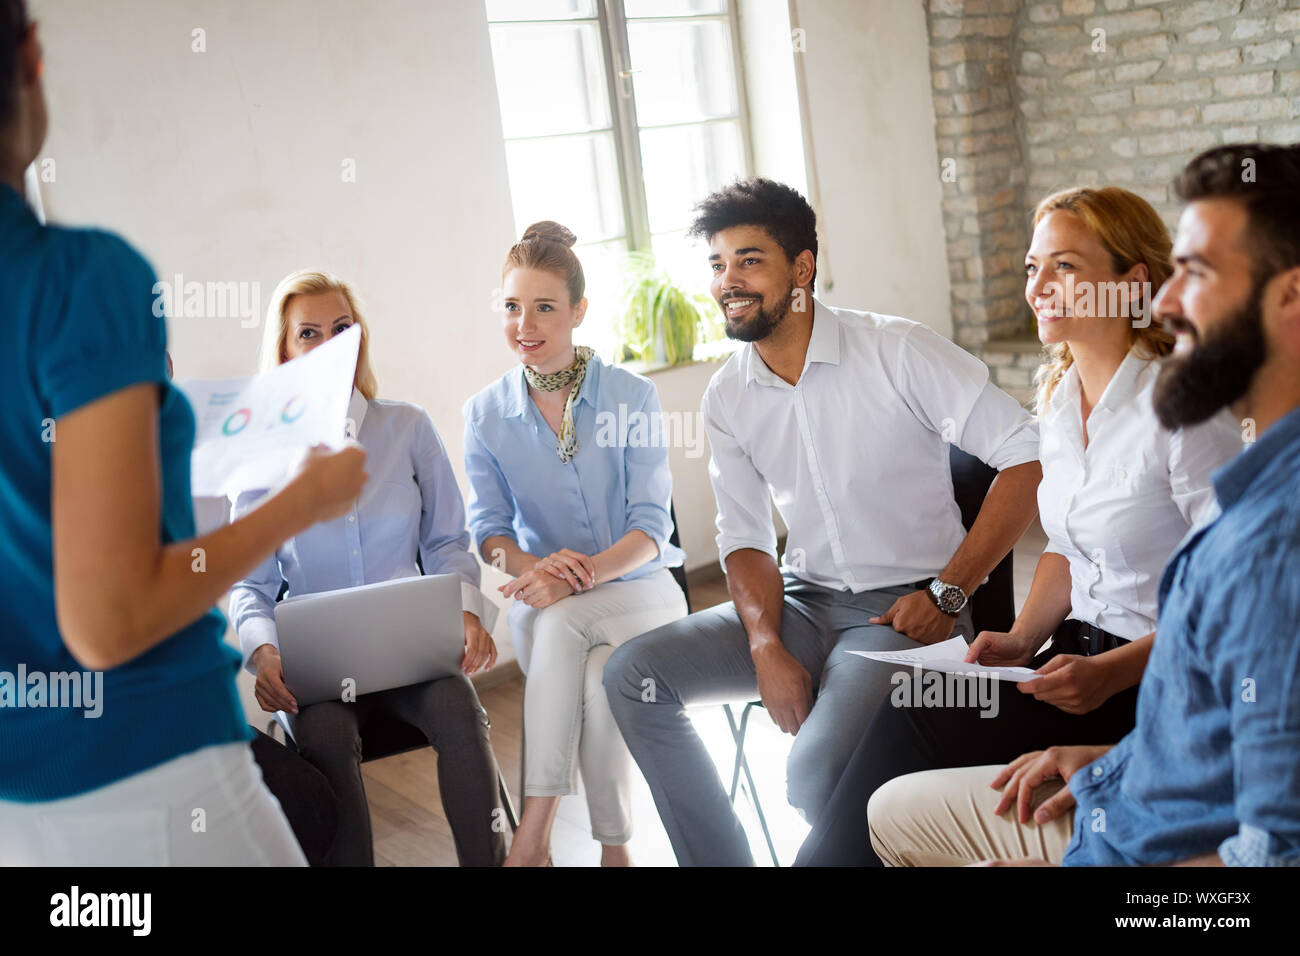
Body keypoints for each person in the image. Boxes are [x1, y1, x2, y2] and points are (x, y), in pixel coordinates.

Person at [0, 2, 367, 865]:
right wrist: (300, 503)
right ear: (31, 57)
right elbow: (112, 616)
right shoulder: (78, 283)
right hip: (148, 766)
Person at [868, 143, 1300, 868]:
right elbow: (1069, 550)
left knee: (903, 810)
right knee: (913, 716)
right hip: (1100, 702)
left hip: (1129, 724)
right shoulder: (1062, 406)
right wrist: (1107, 756)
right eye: (1035, 267)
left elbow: (1263, 840)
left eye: (1195, 274)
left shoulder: (1240, 484)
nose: (1168, 299)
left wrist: (1118, 740)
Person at [603, 178, 1043, 865]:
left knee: (813, 776)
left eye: (749, 260)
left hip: (906, 615)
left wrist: (949, 593)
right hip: (803, 607)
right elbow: (744, 539)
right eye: (718, 265)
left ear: (801, 269)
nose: (728, 281)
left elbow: (1027, 455)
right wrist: (763, 646)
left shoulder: (898, 351)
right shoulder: (728, 395)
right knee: (633, 675)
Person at [231, 271, 506, 867]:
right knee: (326, 738)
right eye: (309, 333)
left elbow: (447, 540)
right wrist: (264, 653)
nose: (330, 344)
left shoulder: (407, 427)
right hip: (320, 679)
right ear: (285, 352)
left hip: (413, 659)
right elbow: (249, 584)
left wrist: (465, 611)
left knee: (460, 709)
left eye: (341, 328)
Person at [464, 221, 688, 867]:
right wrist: (543, 571)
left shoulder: (632, 395)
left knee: (563, 626)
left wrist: (579, 574)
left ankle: (532, 837)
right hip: (545, 600)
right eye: (512, 306)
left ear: (578, 311)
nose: (524, 324)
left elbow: (652, 529)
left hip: (644, 593)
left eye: (544, 307)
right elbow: (491, 536)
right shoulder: (483, 415)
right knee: (589, 671)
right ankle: (616, 851)